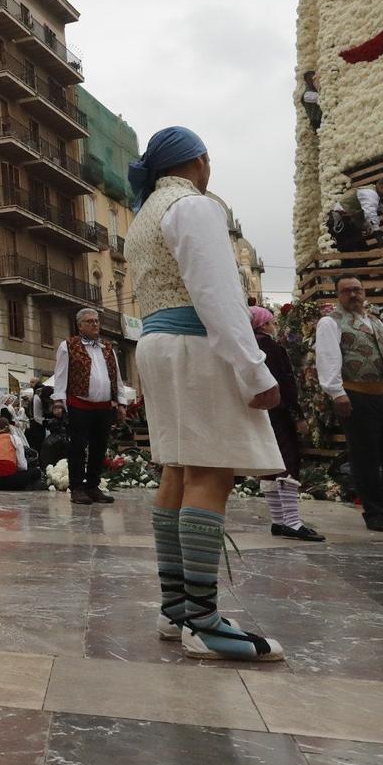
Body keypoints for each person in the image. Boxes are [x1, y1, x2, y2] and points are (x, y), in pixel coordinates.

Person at [122, 126, 285, 662]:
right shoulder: (195, 206)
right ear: (199, 160)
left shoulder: (146, 213)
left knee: (177, 468)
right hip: (195, 346)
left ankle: (177, 609)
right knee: (210, 471)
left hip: (156, 343)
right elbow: (217, 295)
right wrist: (254, 370)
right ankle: (204, 618)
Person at [315, 277, 383, 532]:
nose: (353, 295)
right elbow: (327, 357)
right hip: (355, 394)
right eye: (347, 291)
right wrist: (337, 393)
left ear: (364, 292)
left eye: (357, 290)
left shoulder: (376, 321)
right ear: (338, 294)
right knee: (365, 456)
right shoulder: (330, 322)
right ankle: (375, 513)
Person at [251, 305, 321, 541]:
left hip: (259, 411)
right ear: (263, 324)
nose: (275, 326)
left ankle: (279, 520)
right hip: (279, 411)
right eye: (272, 322)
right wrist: (298, 415)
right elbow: (284, 382)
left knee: (271, 463)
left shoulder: (249, 345)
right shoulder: (270, 345)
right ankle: (292, 521)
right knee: (287, 460)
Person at [53, 308, 120, 505]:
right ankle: (77, 488)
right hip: (79, 405)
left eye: (97, 321)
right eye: (90, 321)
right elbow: (60, 375)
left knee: (99, 448)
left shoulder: (107, 348)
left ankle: (93, 486)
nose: (95, 324)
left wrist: (121, 401)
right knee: (78, 448)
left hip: (104, 406)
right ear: (79, 325)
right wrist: (58, 401)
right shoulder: (68, 346)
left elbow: (116, 377)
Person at [0, 415, 43, 490]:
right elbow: (23, 466)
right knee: (36, 472)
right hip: (9, 480)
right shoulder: (14, 438)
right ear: (9, 427)